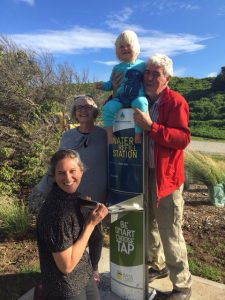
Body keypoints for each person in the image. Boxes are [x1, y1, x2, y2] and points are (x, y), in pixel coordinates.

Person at [29, 95, 107, 284]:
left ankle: (94, 269)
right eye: (79, 107)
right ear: (75, 112)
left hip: (96, 193)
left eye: (87, 106)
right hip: (71, 194)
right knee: (73, 233)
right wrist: (42, 189)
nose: (83, 110)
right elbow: (58, 164)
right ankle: (73, 268)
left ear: (94, 111)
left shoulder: (105, 135)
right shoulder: (67, 136)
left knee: (95, 235)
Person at [133, 53, 192, 300]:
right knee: (148, 224)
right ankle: (158, 266)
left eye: (155, 73)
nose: (149, 77)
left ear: (166, 78)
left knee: (170, 231)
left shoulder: (176, 102)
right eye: (147, 72)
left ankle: (182, 285)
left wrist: (151, 127)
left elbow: (182, 139)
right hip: (143, 173)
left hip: (166, 178)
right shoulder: (140, 100)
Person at [36, 149, 108, 300]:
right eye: (61, 173)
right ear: (54, 177)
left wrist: (84, 211)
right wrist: (90, 225)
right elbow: (66, 266)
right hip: (64, 287)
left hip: (84, 275)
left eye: (72, 171)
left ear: (81, 171)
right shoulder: (55, 213)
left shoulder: (73, 199)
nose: (68, 177)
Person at [96, 30, 148, 144]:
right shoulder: (116, 68)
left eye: (129, 45)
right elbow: (111, 84)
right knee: (108, 108)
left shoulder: (143, 65)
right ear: (117, 52)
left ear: (137, 48)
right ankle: (110, 135)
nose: (125, 48)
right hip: (120, 98)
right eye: (121, 46)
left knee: (141, 103)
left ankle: (138, 133)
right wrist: (103, 85)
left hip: (136, 97)